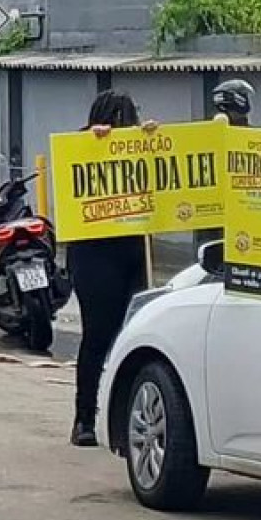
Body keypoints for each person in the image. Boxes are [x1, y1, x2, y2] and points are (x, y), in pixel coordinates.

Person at [69, 92, 154, 450]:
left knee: (135, 333)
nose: (124, 126)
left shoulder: (142, 146)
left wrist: (156, 140)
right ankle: (84, 418)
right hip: (94, 255)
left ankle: (124, 418)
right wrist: (92, 140)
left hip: (135, 250)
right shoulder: (82, 145)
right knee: (98, 335)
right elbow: (72, 167)